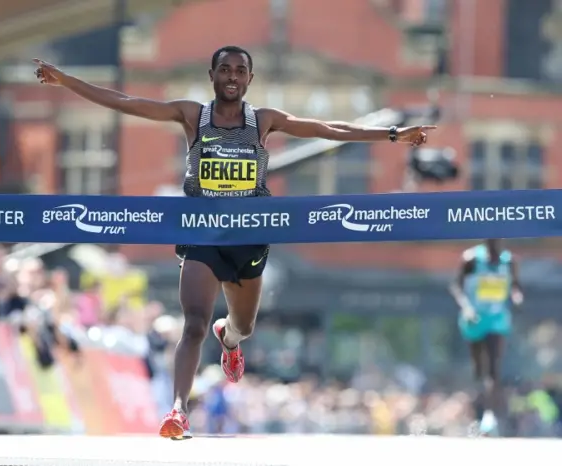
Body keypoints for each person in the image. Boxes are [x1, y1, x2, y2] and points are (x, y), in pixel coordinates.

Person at [33, 45, 436, 440]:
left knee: (243, 324)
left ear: (249, 79)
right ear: (212, 76)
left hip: (249, 237)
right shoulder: (193, 115)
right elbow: (126, 101)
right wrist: (66, 80)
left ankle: (229, 339)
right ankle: (178, 410)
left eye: (239, 71)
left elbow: (326, 129)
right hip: (202, 235)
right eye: (224, 70)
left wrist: (392, 134)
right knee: (193, 323)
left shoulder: (262, 121)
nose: (231, 77)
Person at [450, 238, 523, 436]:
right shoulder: (471, 259)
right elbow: (456, 287)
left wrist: (516, 296)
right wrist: (466, 308)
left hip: (498, 319)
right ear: (486, 243)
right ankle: (477, 411)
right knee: (478, 368)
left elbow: (515, 285)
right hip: (474, 318)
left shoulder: (509, 262)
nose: (495, 250)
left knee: (494, 368)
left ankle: (489, 417)